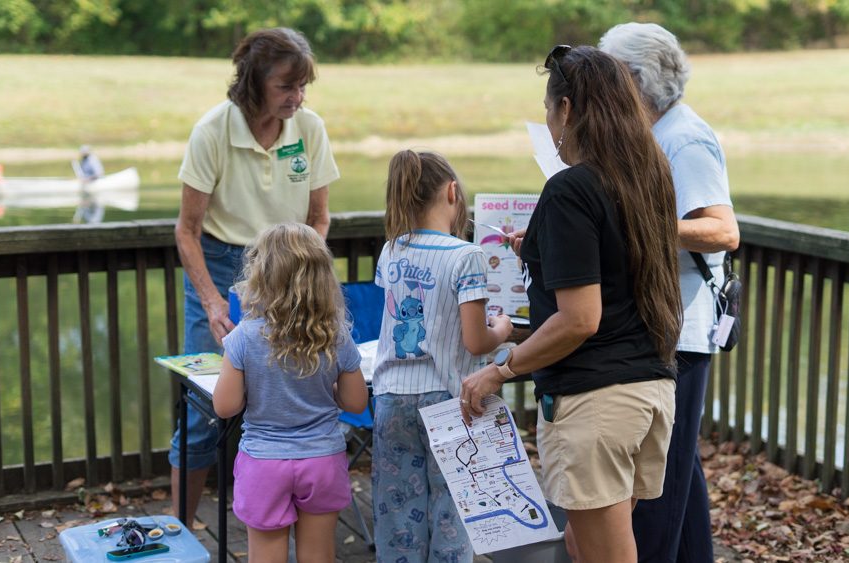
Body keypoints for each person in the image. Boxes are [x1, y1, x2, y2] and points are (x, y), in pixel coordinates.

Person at [460, 46, 683, 563]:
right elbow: (615, 272)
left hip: (595, 401)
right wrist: (542, 247)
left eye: (547, 108)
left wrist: (500, 370)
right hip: (648, 390)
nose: (547, 121)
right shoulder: (647, 177)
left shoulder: (570, 189)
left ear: (567, 109)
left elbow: (580, 319)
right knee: (583, 545)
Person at [171, 27, 339, 525]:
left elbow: (319, 219)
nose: (298, 97)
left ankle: (275, 521)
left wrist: (303, 273)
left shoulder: (309, 128)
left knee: (293, 397)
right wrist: (211, 302)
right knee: (203, 407)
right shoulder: (212, 131)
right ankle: (180, 534)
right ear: (254, 82)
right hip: (221, 265)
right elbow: (187, 230)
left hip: (289, 267)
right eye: (287, 86)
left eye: (303, 86)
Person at [600, 23, 740, 563]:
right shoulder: (652, 132)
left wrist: (638, 224)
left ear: (636, 79)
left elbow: (723, 231)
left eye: (611, 73)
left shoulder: (686, 138)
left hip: (680, 329)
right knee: (679, 467)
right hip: (658, 321)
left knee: (658, 478)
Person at [371, 149, 513, 562]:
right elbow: (476, 341)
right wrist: (502, 328)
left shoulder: (391, 251)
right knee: (454, 510)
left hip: (391, 398)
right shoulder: (466, 256)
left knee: (397, 514)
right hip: (451, 400)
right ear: (452, 192)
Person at [213, 222, 368, 563]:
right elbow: (356, 402)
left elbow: (225, 407)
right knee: (318, 556)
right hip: (322, 461)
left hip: (264, 463)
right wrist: (328, 387)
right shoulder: (336, 334)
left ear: (260, 276)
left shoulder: (243, 337)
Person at [73, 146, 106, 224]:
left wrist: (88, 179)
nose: (82, 154)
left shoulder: (92, 160)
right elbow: (82, 174)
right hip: (86, 181)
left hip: (93, 182)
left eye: (83, 152)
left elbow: (99, 173)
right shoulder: (84, 160)